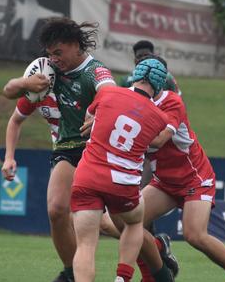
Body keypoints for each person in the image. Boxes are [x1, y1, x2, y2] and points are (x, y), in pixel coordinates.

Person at [3, 18, 116, 282]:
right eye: (50, 54)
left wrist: (100, 113)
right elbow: (11, 103)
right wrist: (24, 83)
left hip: (97, 148)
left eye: (58, 53)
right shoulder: (45, 82)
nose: (54, 59)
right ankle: (70, 273)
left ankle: (154, 248)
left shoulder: (93, 71)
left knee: (105, 222)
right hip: (66, 147)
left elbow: (111, 93)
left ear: (76, 46)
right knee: (56, 210)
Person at [137, 86, 225, 282]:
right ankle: (155, 263)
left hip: (194, 178)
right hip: (165, 181)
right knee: (127, 224)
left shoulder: (171, 101)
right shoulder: (134, 101)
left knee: (195, 235)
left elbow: (158, 140)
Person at [71, 58, 171, 282]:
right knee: (135, 222)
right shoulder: (159, 117)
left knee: (85, 245)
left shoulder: (108, 94)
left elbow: (90, 117)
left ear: (135, 76)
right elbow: (155, 141)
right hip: (122, 181)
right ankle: (122, 278)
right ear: (159, 85)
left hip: (87, 175)